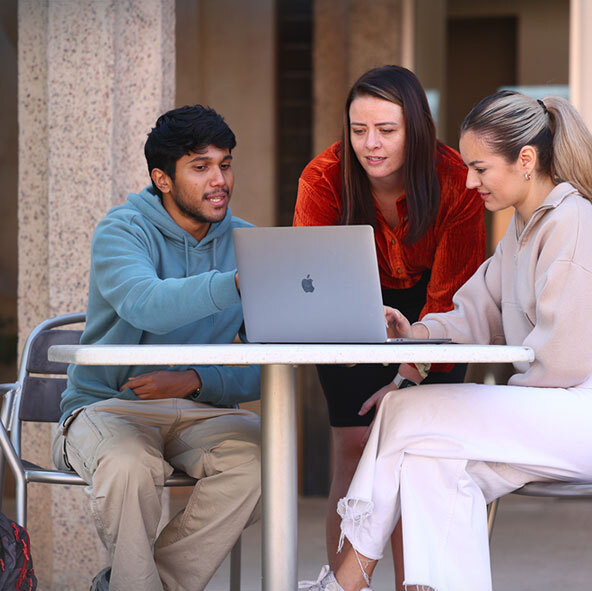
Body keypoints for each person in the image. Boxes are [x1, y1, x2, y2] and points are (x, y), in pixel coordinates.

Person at [301, 90, 592, 591]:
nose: (468, 180)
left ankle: (345, 582)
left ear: (525, 160)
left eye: (479, 168)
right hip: (546, 415)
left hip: (575, 413)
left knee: (406, 413)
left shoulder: (573, 224)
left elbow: (563, 363)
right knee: (424, 462)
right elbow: (474, 312)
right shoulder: (521, 231)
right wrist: (415, 333)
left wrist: (478, 415)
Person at [53, 105, 261, 591]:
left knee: (262, 466)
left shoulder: (250, 244)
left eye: (225, 164)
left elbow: (270, 363)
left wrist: (197, 378)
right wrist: (235, 282)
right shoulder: (122, 231)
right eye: (201, 166)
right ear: (162, 179)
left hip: (204, 410)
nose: (219, 180)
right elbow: (145, 304)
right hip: (109, 407)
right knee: (129, 466)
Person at [294, 65, 486, 587]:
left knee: (417, 453)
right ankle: (343, 583)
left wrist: (409, 370)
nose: (370, 145)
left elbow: (455, 297)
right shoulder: (324, 175)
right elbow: (309, 274)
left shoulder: (456, 179)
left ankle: (413, 584)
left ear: (417, 128)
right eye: (359, 131)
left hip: (435, 311)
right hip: (349, 308)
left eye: (386, 130)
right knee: (355, 447)